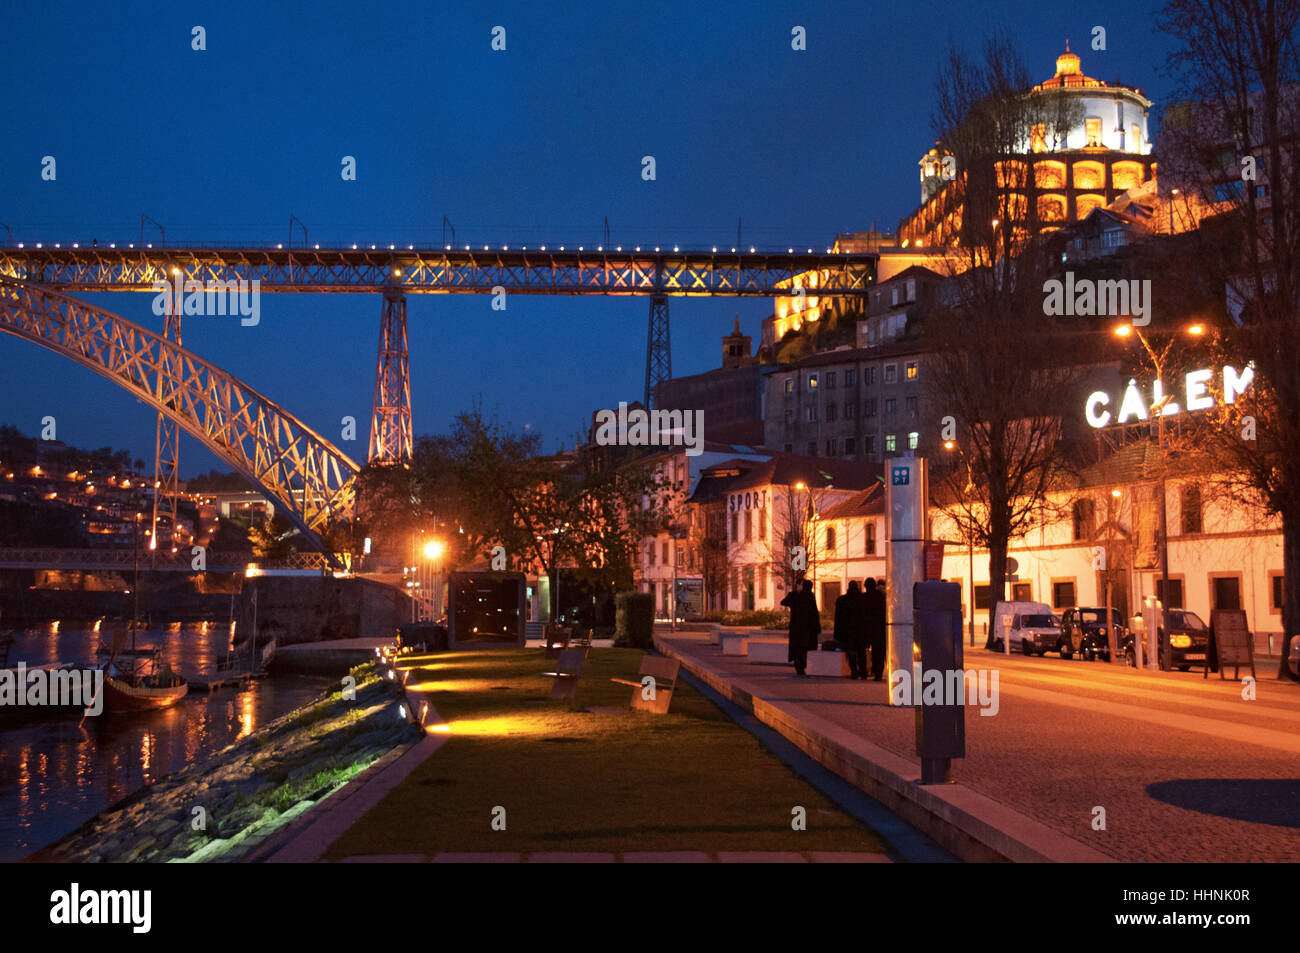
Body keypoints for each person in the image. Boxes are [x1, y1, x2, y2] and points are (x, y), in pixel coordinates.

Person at [781, 578, 821, 676]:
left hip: (796, 627)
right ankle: (802, 667)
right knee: (805, 648)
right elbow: (814, 613)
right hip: (807, 628)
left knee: (798, 648)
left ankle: (799, 667)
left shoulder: (795, 595)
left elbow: (784, 602)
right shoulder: (810, 596)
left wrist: (794, 592)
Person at [834, 580, 866, 678]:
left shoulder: (842, 600)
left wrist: (837, 633)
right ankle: (863, 672)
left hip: (847, 631)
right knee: (861, 652)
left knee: (851, 651)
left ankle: (854, 672)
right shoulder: (862, 599)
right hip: (860, 630)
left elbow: (838, 617)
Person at [864, 577, 888, 680]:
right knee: (879, 651)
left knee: (874, 652)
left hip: (869, 628)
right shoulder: (881, 597)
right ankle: (878, 673)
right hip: (880, 628)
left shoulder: (864, 598)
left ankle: (873, 671)